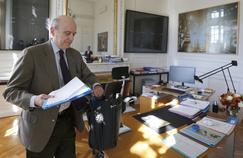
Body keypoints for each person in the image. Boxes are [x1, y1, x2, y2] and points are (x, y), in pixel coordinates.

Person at [2, 15, 104, 158]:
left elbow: (88, 75)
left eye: (74, 34)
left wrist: (96, 85)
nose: (71, 38)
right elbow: (11, 91)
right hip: (40, 126)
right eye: (67, 33)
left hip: (68, 121)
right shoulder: (31, 54)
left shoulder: (75, 55)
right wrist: (35, 100)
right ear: (52, 31)